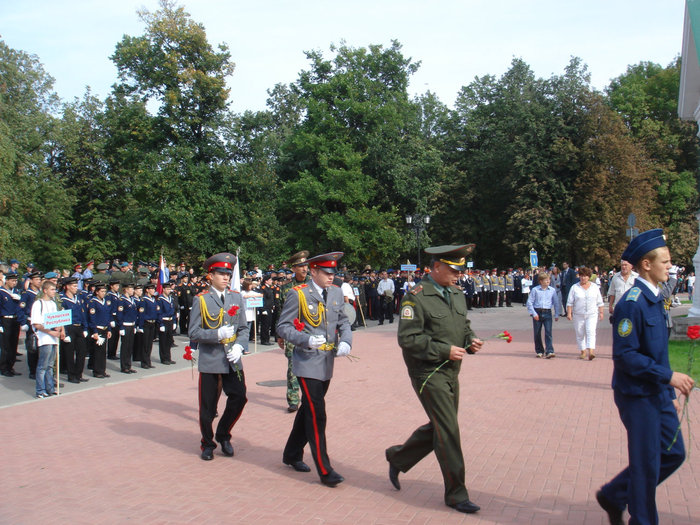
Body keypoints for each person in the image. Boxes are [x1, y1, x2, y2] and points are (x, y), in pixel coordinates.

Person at [596, 229, 695, 525]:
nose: (670, 265)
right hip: (637, 395)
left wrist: (668, 393)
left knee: (673, 453)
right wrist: (669, 377)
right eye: (664, 261)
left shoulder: (656, 298)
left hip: (657, 393)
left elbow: (657, 353)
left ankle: (614, 494)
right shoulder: (632, 303)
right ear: (647, 265)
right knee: (646, 464)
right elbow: (626, 357)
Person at [385, 245, 483, 514]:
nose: (458, 275)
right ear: (436, 267)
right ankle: (456, 494)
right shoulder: (416, 297)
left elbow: (463, 326)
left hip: (452, 370)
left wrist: (470, 341)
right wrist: (444, 350)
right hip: (428, 372)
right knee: (449, 430)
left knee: (442, 426)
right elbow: (408, 339)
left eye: (460, 270)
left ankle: (398, 457)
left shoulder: (456, 293)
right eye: (453, 270)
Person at [276, 252, 353, 487]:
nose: (332, 277)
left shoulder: (337, 292)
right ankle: (324, 468)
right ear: (314, 272)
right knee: (317, 413)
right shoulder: (297, 294)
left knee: (308, 410)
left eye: (334, 273)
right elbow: (283, 326)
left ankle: (291, 453)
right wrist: (305, 340)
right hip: (307, 362)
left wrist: (346, 341)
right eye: (327, 273)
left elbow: (343, 321)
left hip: (327, 362)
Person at [189, 252, 249, 461]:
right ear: (211, 275)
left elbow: (243, 327)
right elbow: (194, 332)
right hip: (211, 361)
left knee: (239, 397)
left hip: (232, 359)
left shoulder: (236, 297)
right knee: (208, 407)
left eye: (228, 274)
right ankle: (207, 443)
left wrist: (240, 347)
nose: (225, 277)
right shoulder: (202, 300)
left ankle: (223, 434)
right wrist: (216, 334)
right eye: (221, 273)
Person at [277, 251, 311, 412]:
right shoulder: (286, 289)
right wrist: (280, 334)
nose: (304, 269)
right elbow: (281, 313)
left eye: (306, 265)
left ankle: (308, 396)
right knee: (292, 365)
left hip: (311, 331)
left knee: (310, 364)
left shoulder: (314, 285)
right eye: (301, 266)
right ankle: (293, 399)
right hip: (291, 331)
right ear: (294, 269)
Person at [31, 280, 65, 398]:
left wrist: (60, 329)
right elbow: (37, 324)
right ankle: (40, 390)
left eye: (55, 289)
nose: (54, 292)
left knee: (50, 365)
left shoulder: (53, 303)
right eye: (52, 289)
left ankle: (50, 388)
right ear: (45, 290)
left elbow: (58, 320)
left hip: (53, 339)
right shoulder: (38, 304)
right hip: (44, 338)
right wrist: (50, 332)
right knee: (42, 366)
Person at [565, 267, 604, 360]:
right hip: (578, 314)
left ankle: (591, 351)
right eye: (582, 276)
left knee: (591, 331)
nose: (583, 278)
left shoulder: (594, 287)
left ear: (589, 277)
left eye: (586, 276)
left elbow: (600, 301)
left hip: (592, 314)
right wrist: (569, 313)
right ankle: (583, 351)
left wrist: (601, 312)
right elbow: (570, 302)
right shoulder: (574, 287)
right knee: (580, 332)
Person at [61, 276, 89, 383]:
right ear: (67, 287)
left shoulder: (79, 298)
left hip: (79, 327)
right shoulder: (63, 300)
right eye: (74, 286)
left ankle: (79, 374)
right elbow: (62, 317)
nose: (76, 288)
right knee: (69, 353)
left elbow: (83, 314)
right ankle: (71, 375)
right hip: (69, 327)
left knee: (81, 352)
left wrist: (85, 328)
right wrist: (66, 333)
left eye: (76, 286)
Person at [526, 271, 561, 358]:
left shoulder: (552, 290)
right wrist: (533, 313)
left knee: (548, 332)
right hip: (537, 312)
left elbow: (556, 303)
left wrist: (557, 314)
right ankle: (539, 351)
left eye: (548, 279)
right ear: (540, 281)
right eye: (545, 280)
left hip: (547, 312)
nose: (548, 281)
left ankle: (549, 351)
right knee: (537, 333)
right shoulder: (535, 290)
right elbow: (529, 302)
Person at [0, 272, 27, 377]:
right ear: (6, 280)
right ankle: (4, 368)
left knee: (13, 345)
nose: (14, 283)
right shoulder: (1, 292)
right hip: (5, 320)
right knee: (5, 346)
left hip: (15, 320)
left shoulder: (16, 291)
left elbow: (20, 307)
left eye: (16, 281)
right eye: (12, 281)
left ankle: (11, 366)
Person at [86, 282, 112, 378]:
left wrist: (109, 329)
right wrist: (95, 332)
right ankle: (97, 371)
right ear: (97, 292)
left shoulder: (105, 301)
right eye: (102, 291)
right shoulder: (93, 302)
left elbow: (107, 316)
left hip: (105, 328)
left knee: (103, 351)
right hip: (98, 328)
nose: (103, 293)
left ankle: (102, 370)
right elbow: (92, 318)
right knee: (97, 351)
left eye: (105, 291)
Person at [157, 281, 177, 365]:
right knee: (163, 341)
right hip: (164, 321)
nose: (169, 290)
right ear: (164, 289)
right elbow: (159, 313)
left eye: (170, 289)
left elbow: (173, 311)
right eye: (168, 289)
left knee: (169, 340)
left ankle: (168, 357)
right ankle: (164, 358)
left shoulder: (170, 298)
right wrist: (161, 324)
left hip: (170, 320)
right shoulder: (160, 299)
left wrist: (174, 321)